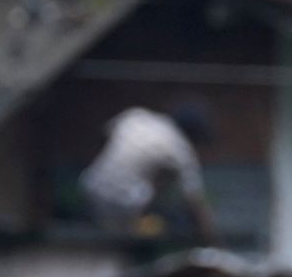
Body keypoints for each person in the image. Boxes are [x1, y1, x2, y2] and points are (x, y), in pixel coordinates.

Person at [80, 104, 218, 244]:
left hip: (90, 187)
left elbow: (102, 135)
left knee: (160, 174)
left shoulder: (136, 117)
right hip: (125, 205)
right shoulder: (180, 149)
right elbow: (196, 202)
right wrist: (213, 242)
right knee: (172, 217)